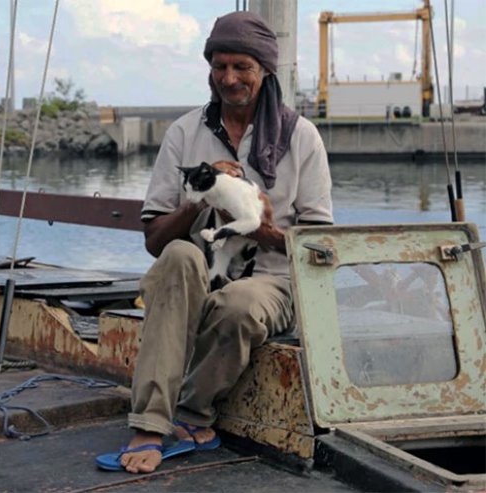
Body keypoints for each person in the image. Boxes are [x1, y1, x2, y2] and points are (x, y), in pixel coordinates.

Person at [96, 11, 333, 474]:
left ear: (265, 70)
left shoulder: (302, 138)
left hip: (273, 279)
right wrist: (196, 201)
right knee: (179, 254)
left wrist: (257, 227)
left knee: (240, 303)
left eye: (242, 66)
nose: (229, 78)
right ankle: (149, 422)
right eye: (219, 66)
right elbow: (153, 240)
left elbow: (319, 252)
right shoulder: (185, 133)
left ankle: (190, 414)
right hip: (201, 270)